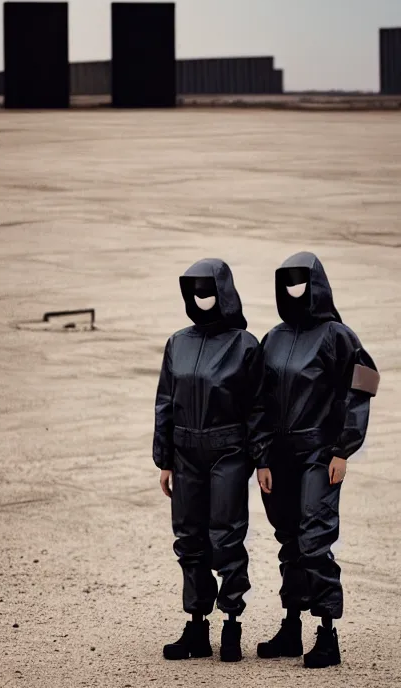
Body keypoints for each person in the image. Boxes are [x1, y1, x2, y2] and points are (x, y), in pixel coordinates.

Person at [248, 251, 380, 669]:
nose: (295, 291)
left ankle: (328, 634)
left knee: (314, 540)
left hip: (320, 455)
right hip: (280, 457)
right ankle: (291, 628)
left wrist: (344, 448)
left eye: (302, 282)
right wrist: (262, 457)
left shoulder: (338, 336)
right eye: (287, 283)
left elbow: (363, 385)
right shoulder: (273, 338)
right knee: (288, 539)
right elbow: (259, 401)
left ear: (317, 283)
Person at [153, 258, 258, 662]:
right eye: (194, 289)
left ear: (225, 291)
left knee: (226, 536)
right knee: (189, 540)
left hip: (228, 450)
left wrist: (261, 458)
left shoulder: (245, 345)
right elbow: (165, 402)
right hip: (185, 454)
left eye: (209, 288)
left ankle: (232, 623)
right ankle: (196, 626)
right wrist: (164, 459)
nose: (202, 297)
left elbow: (258, 408)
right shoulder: (177, 342)